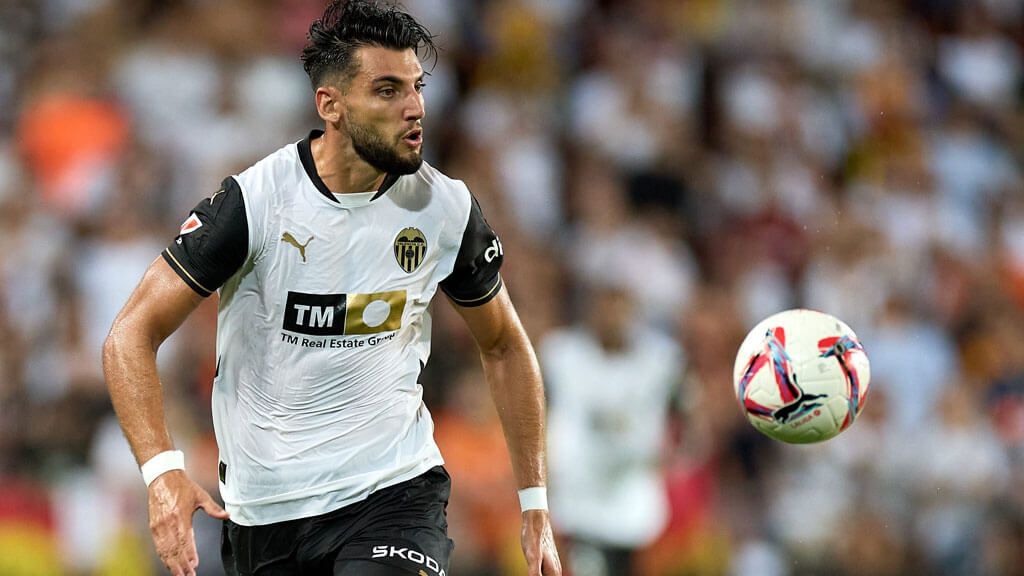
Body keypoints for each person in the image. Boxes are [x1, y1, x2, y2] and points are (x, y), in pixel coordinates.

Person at [101, 1, 561, 575]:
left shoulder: (444, 208)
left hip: (394, 492)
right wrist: (160, 469)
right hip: (265, 513)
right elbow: (129, 335)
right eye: (388, 91)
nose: (416, 108)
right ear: (332, 105)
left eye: (417, 87)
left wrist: (534, 500)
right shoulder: (257, 202)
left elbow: (505, 345)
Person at [541, 277, 681, 576]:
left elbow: (687, 412)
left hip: (635, 497)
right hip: (577, 496)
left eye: (620, 308)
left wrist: (677, 451)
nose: (612, 317)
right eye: (604, 308)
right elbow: (540, 409)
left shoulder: (661, 360)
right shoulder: (561, 355)